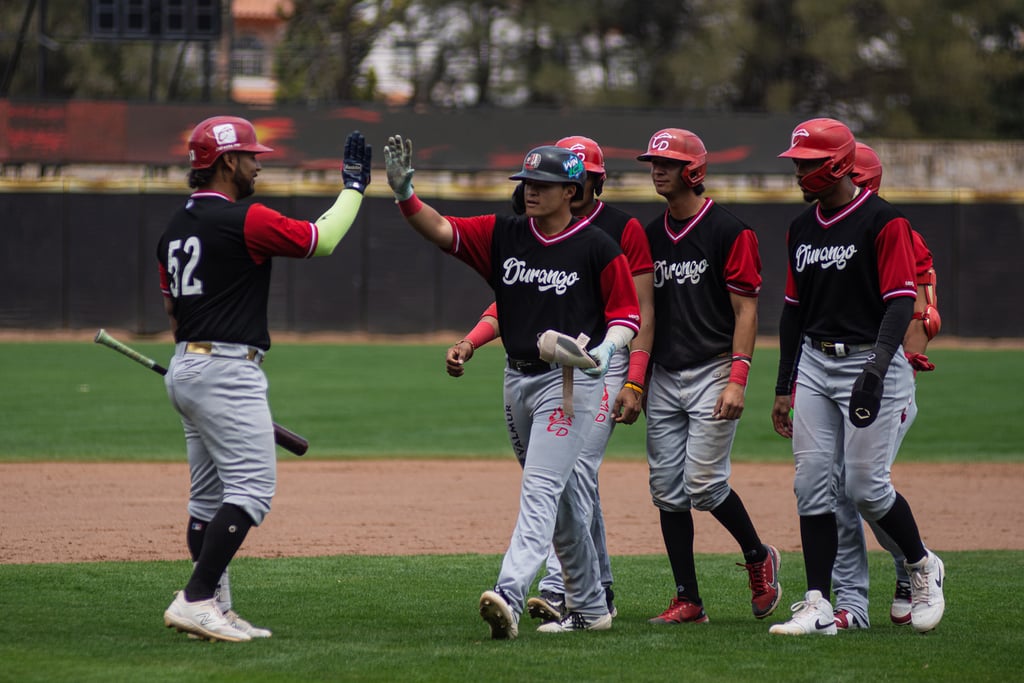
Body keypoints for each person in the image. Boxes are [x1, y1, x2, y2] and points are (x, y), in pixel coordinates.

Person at [384, 134, 640, 639]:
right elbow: (440, 229)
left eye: (542, 184)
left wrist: (608, 353)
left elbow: (626, 315)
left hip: (568, 383)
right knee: (563, 499)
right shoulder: (504, 235)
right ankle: (591, 606)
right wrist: (403, 194)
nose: (530, 191)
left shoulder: (597, 245)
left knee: (541, 489)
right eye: (525, 182)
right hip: (516, 377)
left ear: (571, 190)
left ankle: (510, 593)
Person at [158, 116, 371, 642]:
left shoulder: (173, 231)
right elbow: (321, 241)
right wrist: (354, 189)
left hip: (189, 362)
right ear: (228, 162)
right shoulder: (244, 219)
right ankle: (196, 598)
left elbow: (172, 309)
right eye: (252, 156)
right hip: (228, 367)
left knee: (207, 502)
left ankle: (215, 609)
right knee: (252, 489)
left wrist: (196, 373)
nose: (258, 163)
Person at [445, 135, 655, 625]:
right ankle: (593, 596)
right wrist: (473, 340)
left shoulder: (618, 231)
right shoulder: (530, 230)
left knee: (568, 476)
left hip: (600, 363)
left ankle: (551, 588)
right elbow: (513, 302)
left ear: (586, 181)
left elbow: (638, 312)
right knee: (564, 483)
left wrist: (634, 379)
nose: (538, 188)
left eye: (556, 179)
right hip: (536, 368)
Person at [769, 118, 945, 636]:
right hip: (815, 362)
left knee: (865, 487)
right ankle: (819, 601)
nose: (798, 172)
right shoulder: (801, 228)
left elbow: (900, 302)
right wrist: (784, 385)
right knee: (812, 486)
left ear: (839, 165)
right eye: (797, 163)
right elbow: (792, 312)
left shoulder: (881, 222)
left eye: (808, 164)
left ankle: (921, 566)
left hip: (871, 358)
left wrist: (875, 366)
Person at [636, 128, 781, 625]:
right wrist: (636, 381)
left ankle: (759, 556)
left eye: (668, 163)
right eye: (653, 163)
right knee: (667, 492)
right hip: (663, 375)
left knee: (703, 484)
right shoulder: (649, 236)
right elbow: (644, 315)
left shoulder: (729, 230)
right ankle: (689, 599)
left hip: (714, 368)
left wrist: (738, 378)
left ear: (692, 171)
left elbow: (747, 311)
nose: (657, 170)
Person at [831, 142, 942, 630]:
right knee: (837, 489)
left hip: (882, 379)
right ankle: (851, 601)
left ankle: (911, 566)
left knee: (863, 489)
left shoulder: (898, 233)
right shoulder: (825, 228)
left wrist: (901, 358)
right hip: (831, 372)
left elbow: (925, 311)